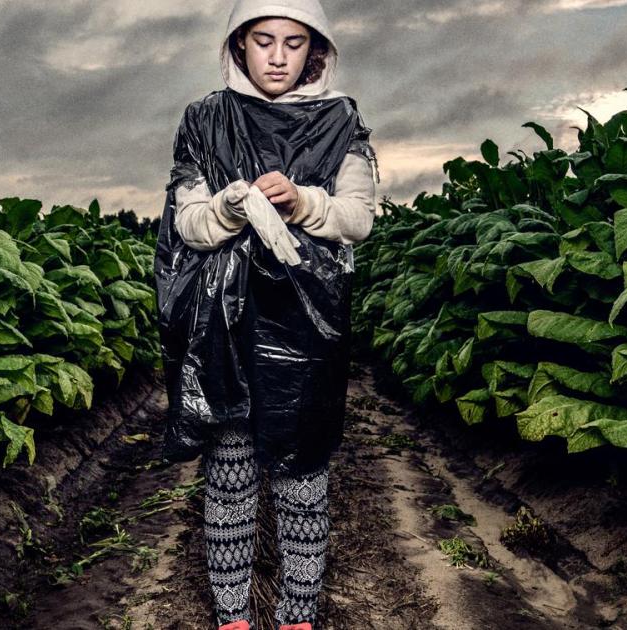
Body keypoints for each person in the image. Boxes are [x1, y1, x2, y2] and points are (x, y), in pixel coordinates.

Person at [153, 1, 379, 628]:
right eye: (263, 41)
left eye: (294, 42)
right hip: (225, 320)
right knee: (229, 472)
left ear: (316, 49)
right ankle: (233, 617)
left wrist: (304, 201)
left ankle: (298, 616)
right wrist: (231, 206)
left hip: (307, 322)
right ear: (238, 45)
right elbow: (189, 225)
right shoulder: (204, 118)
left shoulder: (339, 119)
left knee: (301, 469)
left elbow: (358, 218)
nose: (278, 56)